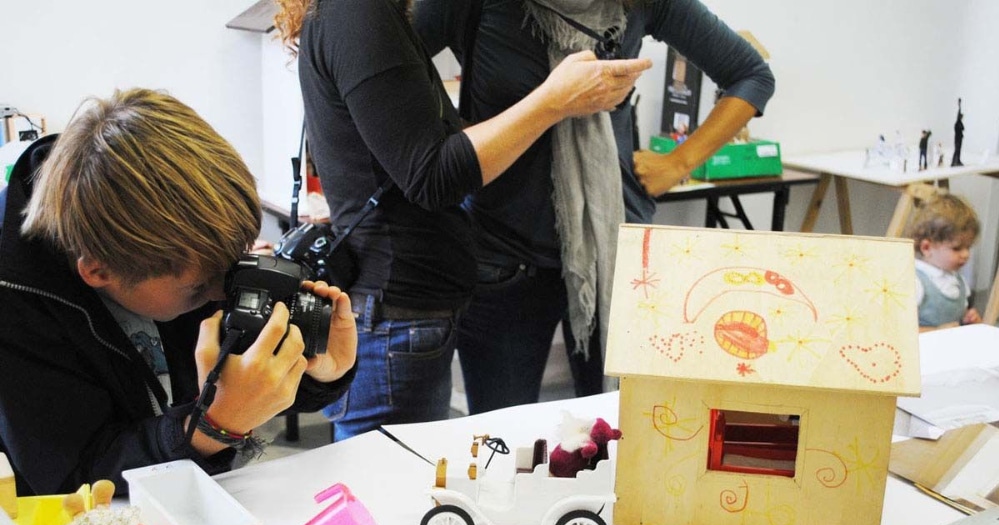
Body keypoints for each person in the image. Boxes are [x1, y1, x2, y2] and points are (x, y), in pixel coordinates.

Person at [273, 0, 651, 441]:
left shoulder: (365, 13)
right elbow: (432, 176)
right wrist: (553, 101)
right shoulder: (359, 12)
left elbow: (415, 147)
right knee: (392, 480)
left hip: (406, 313)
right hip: (397, 318)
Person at [415, 0, 775, 414]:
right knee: (500, 438)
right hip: (502, 258)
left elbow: (751, 75)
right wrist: (447, 139)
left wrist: (678, 163)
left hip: (616, 253)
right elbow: (386, 73)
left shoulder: (638, 3)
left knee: (618, 431)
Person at [0, 88, 359, 496]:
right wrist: (213, 426)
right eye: (197, 287)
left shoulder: (181, 249)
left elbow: (251, 390)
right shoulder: (14, 301)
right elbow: (76, 477)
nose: (220, 294)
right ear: (98, 271)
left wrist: (317, 372)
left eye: (231, 266)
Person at [903, 193, 982, 331]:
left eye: (968, 247)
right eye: (956, 248)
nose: (966, 254)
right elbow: (900, 331)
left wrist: (968, 320)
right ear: (927, 248)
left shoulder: (957, 281)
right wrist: (937, 331)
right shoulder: (915, 282)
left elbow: (957, 319)